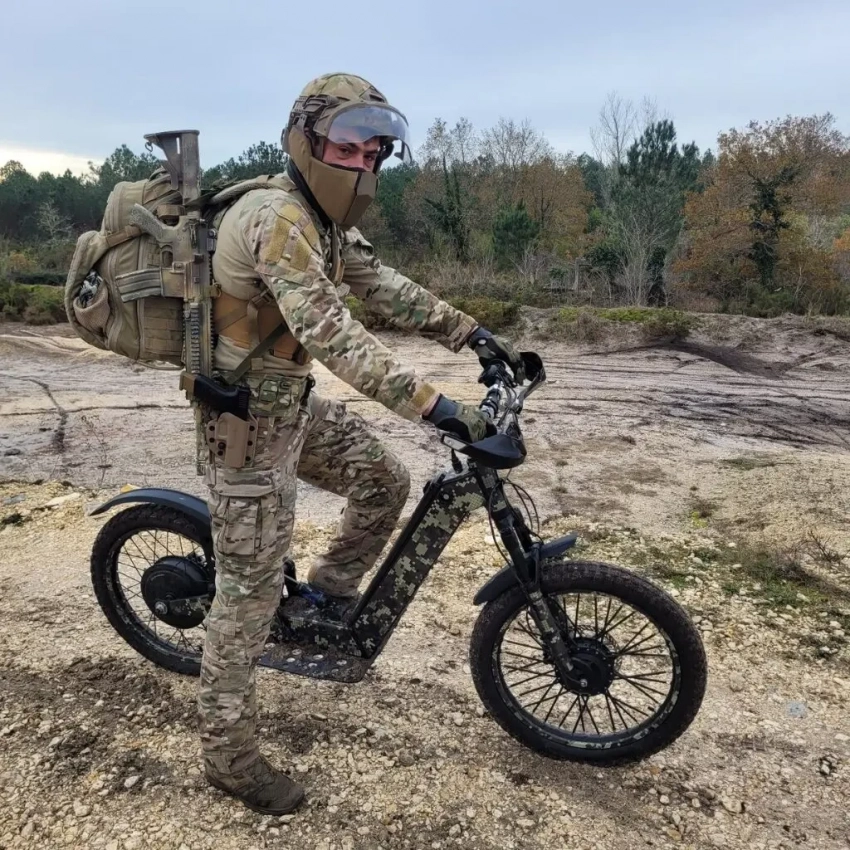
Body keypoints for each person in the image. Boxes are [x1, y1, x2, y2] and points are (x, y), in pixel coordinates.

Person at [199, 72, 524, 816]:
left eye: (374, 152)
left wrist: (473, 333)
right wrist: (439, 408)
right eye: (347, 147)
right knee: (246, 596)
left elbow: (384, 286)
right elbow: (333, 335)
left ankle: (322, 602)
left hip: (291, 406)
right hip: (244, 426)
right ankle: (229, 759)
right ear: (305, 142)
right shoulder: (278, 218)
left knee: (384, 481)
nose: (362, 164)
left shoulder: (325, 223)